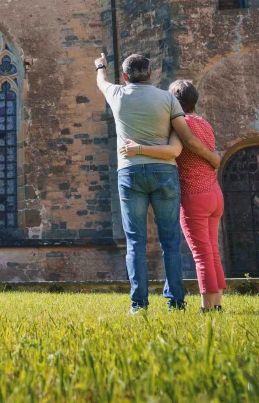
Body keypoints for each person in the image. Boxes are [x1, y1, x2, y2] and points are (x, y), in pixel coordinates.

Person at [95, 53, 220, 313]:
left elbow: (101, 82)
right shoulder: (168, 99)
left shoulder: (116, 94)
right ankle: (176, 302)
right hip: (164, 173)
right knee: (170, 241)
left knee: (135, 241)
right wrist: (210, 156)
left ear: (126, 76)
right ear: (151, 72)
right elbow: (186, 139)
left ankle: (138, 305)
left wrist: (100, 66)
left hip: (130, 173)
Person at [120, 79, 226, 312]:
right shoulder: (205, 123)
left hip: (194, 195)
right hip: (214, 194)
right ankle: (217, 302)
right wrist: (213, 159)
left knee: (201, 254)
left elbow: (178, 148)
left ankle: (208, 307)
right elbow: (209, 150)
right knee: (213, 250)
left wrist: (138, 148)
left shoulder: (181, 125)